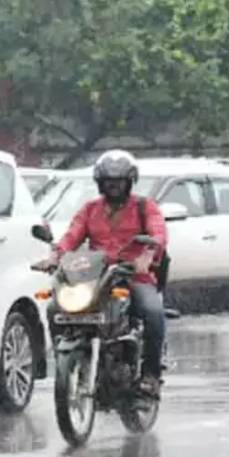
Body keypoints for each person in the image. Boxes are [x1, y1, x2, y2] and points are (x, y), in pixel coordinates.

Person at [35, 150, 168, 398]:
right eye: (108, 182)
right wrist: (55, 257)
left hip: (132, 277)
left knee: (153, 312)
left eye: (118, 182)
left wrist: (148, 254)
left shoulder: (144, 207)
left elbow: (158, 232)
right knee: (55, 308)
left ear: (129, 182)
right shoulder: (90, 209)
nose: (113, 186)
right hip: (95, 277)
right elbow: (71, 236)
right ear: (100, 183)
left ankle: (150, 375)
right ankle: (67, 360)